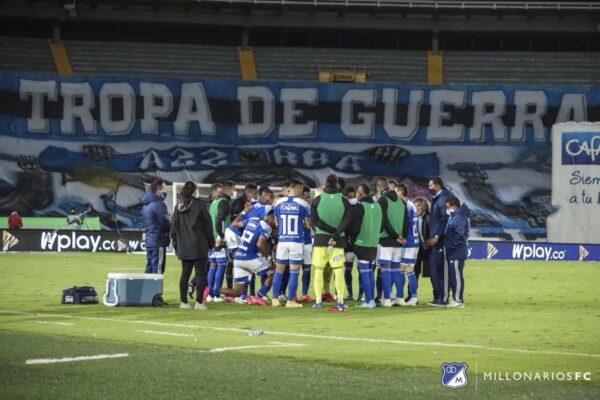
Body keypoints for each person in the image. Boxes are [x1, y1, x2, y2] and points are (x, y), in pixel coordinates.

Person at [171, 181, 215, 310]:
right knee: (201, 274)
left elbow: (173, 229)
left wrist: (176, 244)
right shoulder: (200, 205)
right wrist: (211, 243)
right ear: (195, 190)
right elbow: (208, 226)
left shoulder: (177, 207)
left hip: (184, 246)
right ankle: (199, 303)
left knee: (185, 274)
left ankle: (183, 302)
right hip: (199, 245)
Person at [310, 174, 352, 311]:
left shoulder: (316, 200)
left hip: (321, 240)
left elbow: (315, 222)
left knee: (319, 269)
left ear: (325, 184)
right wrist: (336, 232)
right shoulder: (345, 201)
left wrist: (329, 230)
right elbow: (347, 220)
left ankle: (318, 301)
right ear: (337, 185)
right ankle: (340, 301)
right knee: (338, 270)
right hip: (338, 240)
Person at [219, 210, 278, 306]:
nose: (276, 223)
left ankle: (213, 290)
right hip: (249, 258)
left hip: (238, 259)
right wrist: (269, 258)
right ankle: (259, 296)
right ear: (271, 218)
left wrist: (243, 212)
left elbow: (235, 224)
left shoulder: (252, 220)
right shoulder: (266, 227)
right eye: (276, 220)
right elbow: (260, 244)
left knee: (237, 291)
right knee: (276, 271)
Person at [272, 181, 310, 308]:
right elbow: (308, 225)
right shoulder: (303, 204)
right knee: (294, 272)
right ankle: (290, 301)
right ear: (299, 189)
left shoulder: (279, 203)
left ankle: (275, 299)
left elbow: (276, 223)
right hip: (296, 241)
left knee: (278, 271)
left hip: (282, 241)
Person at [347, 184, 382, 309]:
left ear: (360, 193)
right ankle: (370, 299)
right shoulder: (378, 206)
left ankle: (368, 301)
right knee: (369, 271)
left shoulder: (360, 206)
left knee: (364, 272)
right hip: (374, 243)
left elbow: (355, 226)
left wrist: (352, 238)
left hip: (362, 242)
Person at [377, 185, 408, 307]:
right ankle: (400, 298)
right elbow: (406, 220)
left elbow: (384, 220)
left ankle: (387, 299)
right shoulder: (401, 201)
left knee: (385, 270)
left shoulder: (383, 200)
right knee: (396, 270)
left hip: (386, 240)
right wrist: (402, 236)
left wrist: (395, 236)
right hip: (399, 242)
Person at [207, 180, 235, 302]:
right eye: (233, 190)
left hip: (211, 238)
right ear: (228, 190)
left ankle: (210, 295)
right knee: (221, 266)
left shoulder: (214, 202)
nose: (234, 192)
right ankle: (217, 295)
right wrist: (220, 235)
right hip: (219, 239)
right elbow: (221, 220)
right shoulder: (224, 202)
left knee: (212, 266)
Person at [426, 176, 453, 306]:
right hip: (435, 241)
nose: (428, 188)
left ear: (437, 185)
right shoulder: (438, 198)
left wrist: (437, 235)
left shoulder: (443, 199)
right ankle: (437, 296)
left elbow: (445, 219)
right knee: (434, 270)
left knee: (441, 270)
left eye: (430, 186)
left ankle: (443, 298)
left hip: (441, 241)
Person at [394, 184, 419, 306]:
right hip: (414, 242)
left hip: (407, 242)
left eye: (395, 192)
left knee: (401, 269)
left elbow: (404, 224)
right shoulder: (412, 205)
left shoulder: (404, 206)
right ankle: (413, 297)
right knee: (410, 270)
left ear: (399, 192)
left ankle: (400, 297)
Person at [443, 196, 470, 308]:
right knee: (454, 275)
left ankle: (458, 300)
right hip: (454, 251)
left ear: (452, 204)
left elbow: (459, 235)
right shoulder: (457, 216)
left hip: (457, 251)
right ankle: (456, 299)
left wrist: (450, 246)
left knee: (457, 276)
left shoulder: (459, 217)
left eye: (447, 205)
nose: (446, 207)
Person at [142, 179, 170, 274]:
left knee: (149, 266)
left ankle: (146, 288)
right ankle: (156, 289)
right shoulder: (158, 204)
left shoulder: (146, 204)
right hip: (158, 240)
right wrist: (170, 230)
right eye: (164, 188)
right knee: (158, 268)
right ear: (159, 190)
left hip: (150, 239)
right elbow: (164, 222)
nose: (166, 190)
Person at [411, 197, 431, 303]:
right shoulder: (414, 217)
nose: (417, 208)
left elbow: (431, 232)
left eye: (419, 205)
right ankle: (412, 296)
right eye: (415, 205)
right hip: (417, 249)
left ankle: (438, 297)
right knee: (414, 272)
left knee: (433, 273)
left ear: (424, 207)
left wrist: (429, 242)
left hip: (428, 249)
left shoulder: (428, 217)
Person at [343, 186, 359, 301]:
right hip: (348, 245)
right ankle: (349, 294)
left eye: (352, 195)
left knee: (361, 270)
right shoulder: (343, 207)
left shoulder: (360, 207)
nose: (351, 197)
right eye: (348, 195)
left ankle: (361, 294)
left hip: (358, 244)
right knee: (347, 270)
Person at [300, 186, 314, 302]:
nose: (308, 196)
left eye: (309, 194)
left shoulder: (310, 206)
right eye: (306, 194)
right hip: (297, 241)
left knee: (307, 267)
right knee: (292, 269)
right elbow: (309, 224)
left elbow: (310, 224)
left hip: (308, 241)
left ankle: (304, 294)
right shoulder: (298, 206)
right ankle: (291, 294)